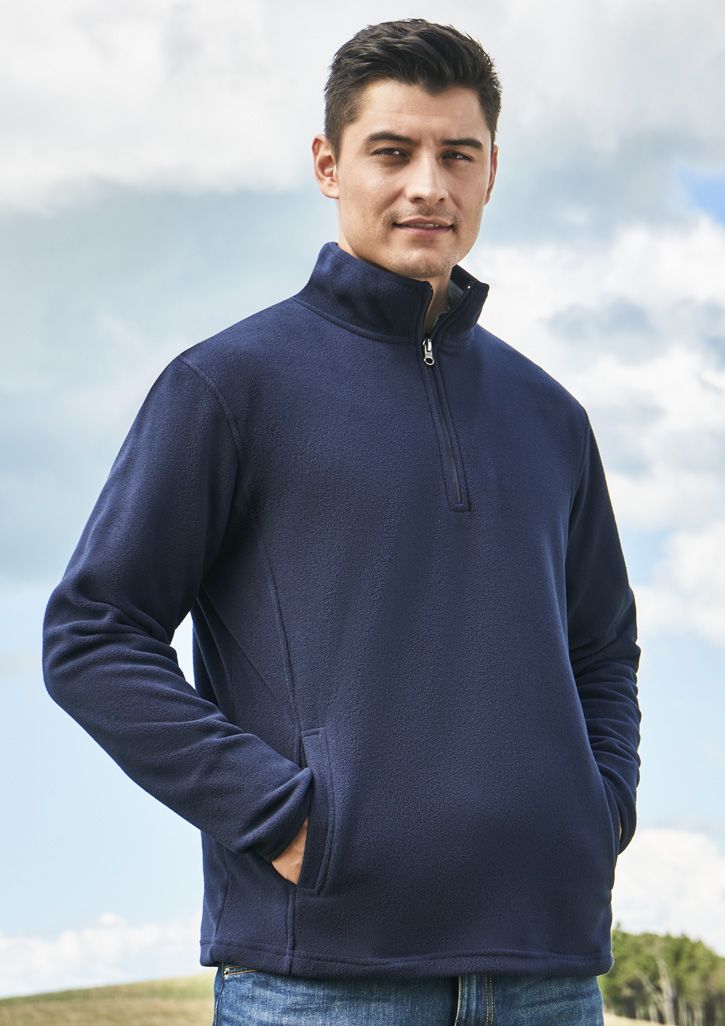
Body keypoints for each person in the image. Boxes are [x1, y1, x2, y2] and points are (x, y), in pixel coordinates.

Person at [42, 17, 642, 1026]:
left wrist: (597, 812)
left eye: (458, 155)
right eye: (391, 152)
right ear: (328, 165)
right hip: (319, 978)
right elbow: (92, 635)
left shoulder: (550, 417)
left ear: (492, 172)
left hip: (546, 973)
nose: (428, 186)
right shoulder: (227, 387)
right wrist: (282, 819)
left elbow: (602, 649)